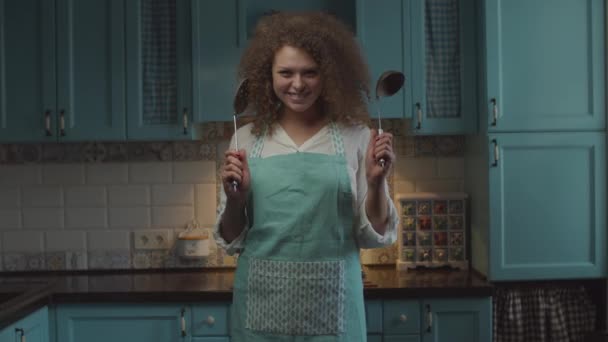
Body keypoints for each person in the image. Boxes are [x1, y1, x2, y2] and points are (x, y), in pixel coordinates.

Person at [213, 11, 399, 342]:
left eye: (310, 73)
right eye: (286, 72)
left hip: (334, 306)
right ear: (267, 76)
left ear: (327, 75)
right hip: (261, 303)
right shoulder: (245, 139)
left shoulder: (357, 136)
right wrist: (235, 201)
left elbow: (374, 235)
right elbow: (232, 239)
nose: (297, 84)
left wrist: (375, 184)